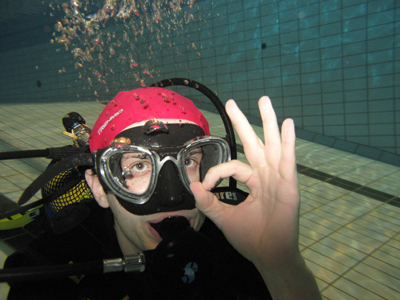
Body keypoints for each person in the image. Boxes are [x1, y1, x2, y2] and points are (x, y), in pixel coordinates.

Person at [4, 87, 321, 299]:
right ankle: (82, 134)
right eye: (137, 166)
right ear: (100, 186)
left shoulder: (242, 243)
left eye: (189, 161)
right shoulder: (51, 271)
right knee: (88, 145)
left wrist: (282, 266)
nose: (172, 197)